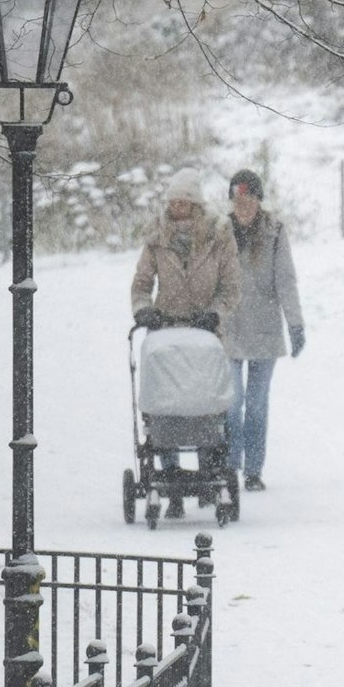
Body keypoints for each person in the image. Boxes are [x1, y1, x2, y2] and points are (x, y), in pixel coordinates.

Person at [130, 169, 239, 517]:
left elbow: (231, 287)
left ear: (195, 205)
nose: (177, 207)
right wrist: (144, 310)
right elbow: (142, 283)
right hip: (166, 330)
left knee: (204, 402)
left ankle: (210, 469)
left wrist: (216, 313)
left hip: (205, 332)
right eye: (172, 202)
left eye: (184, 202)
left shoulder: (219, 237)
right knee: (166, 404)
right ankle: (169, 474)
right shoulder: (156, 239)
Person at [222, 168, 305, 492]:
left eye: (249, 200)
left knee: (256, 403)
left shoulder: (275, 232)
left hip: (265, 329)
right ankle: (228, 465)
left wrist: (295, 323)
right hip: (229, 328)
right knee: (231, 402)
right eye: (237, 200)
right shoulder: (220, 233)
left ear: (259, 201)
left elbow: (286, 280)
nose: (243, 206)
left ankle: (253, 470)